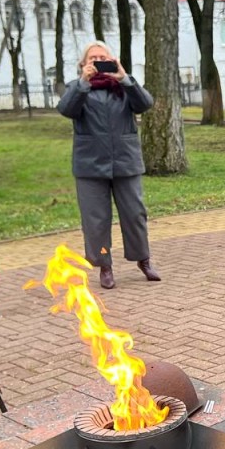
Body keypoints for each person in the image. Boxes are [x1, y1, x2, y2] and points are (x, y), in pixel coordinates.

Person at [57, 41, 159, 289]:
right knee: (96, 221)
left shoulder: (123, 87)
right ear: (84, 64)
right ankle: (105, 265)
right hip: (90, 165)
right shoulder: (76, 87)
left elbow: (145, 104)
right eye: (93, 59)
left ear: (113, 60)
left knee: (135, 214)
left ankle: (143, 259)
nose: (99, 62)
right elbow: (67, 109)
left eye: (103, 58)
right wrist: (84, 82)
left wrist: (124, 78)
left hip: (126, 160)